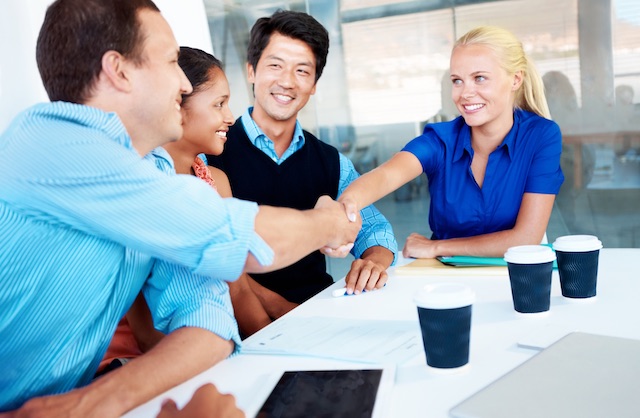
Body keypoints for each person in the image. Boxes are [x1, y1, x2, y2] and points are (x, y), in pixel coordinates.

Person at [0, 0, 360, 416]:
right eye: (172, 61)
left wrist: (89, 403)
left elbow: (209, 320)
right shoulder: (51, 147)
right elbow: (237, 238)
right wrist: (327, 223)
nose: (185, 85)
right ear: (119, 70)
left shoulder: (149, 172)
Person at [208, 10, 397, 319]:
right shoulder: (210, 153)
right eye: (275, 65)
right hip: (237, 318)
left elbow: (374, 228)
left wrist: (373, 261)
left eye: (302, 71)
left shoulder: (330, 160)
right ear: (251, 71)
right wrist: (283, 311)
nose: (287, 82)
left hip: (319, 310)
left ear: (314, 85)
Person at [339, 26, 564, 259]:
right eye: (457, 81)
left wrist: (437, 247)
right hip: (445, 279)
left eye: (479, 78)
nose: (465, 93)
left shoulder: (541, 135)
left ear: (515, 79)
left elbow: (526, 238)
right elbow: (386, 175)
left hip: (518, 275)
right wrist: (348, 203)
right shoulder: (441, 140)